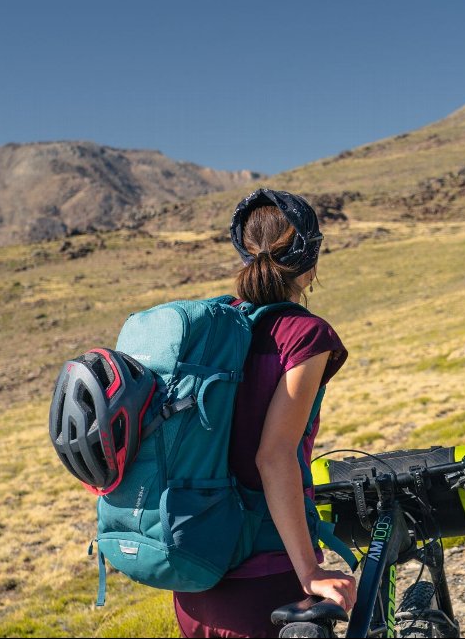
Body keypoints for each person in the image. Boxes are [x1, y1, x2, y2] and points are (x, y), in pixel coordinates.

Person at [174, 188, 357, 638]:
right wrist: (310, 571)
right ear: (311, 262)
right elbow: (273, 456)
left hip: (195, 577)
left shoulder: (213, 331)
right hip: (264, 582)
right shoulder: (305, 334)